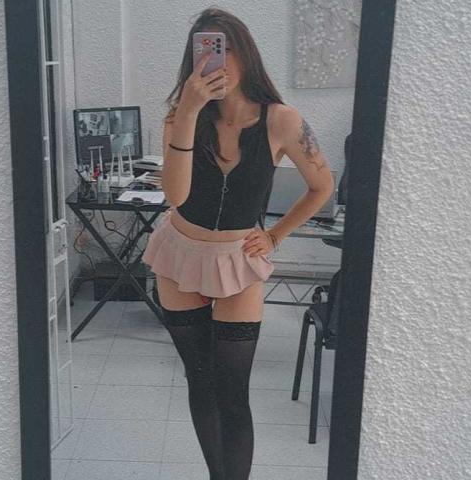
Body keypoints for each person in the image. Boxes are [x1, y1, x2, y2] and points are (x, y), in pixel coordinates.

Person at [142, 7, 335, 480]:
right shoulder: (180, 118)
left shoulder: (282, 121)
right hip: (180, 252)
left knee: (232, 389)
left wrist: (274, 234)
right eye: (205, 52)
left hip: (238, 259)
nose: (216, 61)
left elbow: (322, 186)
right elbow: (176, 196)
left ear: (245, 53)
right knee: (200, 380)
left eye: (224, 49)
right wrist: (189, 112)